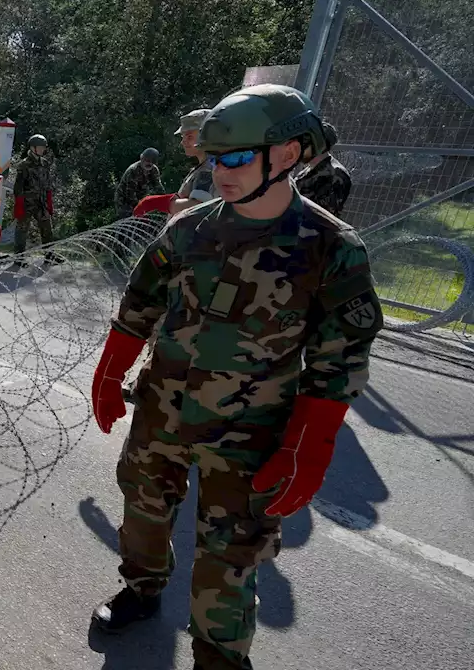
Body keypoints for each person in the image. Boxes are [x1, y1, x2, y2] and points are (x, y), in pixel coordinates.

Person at [88, 84, 383, 670]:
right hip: (162, 409)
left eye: (237, 158)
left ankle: (219, 657)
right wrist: (110, 372)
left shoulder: (332, 249)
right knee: (142, 510)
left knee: (229, 557)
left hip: (249, 431)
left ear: (290, 154)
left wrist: (310, 442)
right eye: (212, 157)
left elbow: (339, 359)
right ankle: (142, 589)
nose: (219, 170)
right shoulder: (189, 230)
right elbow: (141, 301)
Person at [134, 109, 216, 217]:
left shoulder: (211, 167)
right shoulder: (204, 166)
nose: (183, 142)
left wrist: (156, 203)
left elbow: (198, 206)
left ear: (207, 136)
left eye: (189, 136)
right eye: (183, 136)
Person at [11, 134, 57, 263]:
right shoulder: (24, 165)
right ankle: (19, 258)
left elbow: (47, 184)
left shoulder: (45, 163)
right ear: (33, 148)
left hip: (41, 203)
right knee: (22, 231)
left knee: (47, 229)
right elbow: (18, 188)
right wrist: (19, 206)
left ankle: (49, 255)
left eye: (44, 147)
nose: (43, 149)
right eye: (40, 147)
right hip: (27, 203)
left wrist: (49, 202)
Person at [296, 122, 353, 216]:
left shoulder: (335, 174)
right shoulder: (306, 171)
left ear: (318, 145)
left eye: (305, 143)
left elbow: (324, 216)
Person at [116, 147, 163, 218]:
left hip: (140, 196)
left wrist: (164, 201)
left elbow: (158, 187)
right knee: (129, 220)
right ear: (141, 158)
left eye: (153, 161)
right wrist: (142, 207)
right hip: (124, 200)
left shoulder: (154, 170)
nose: (149, 163)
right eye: (147, 160)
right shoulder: (133, 171)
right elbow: (130, 194)